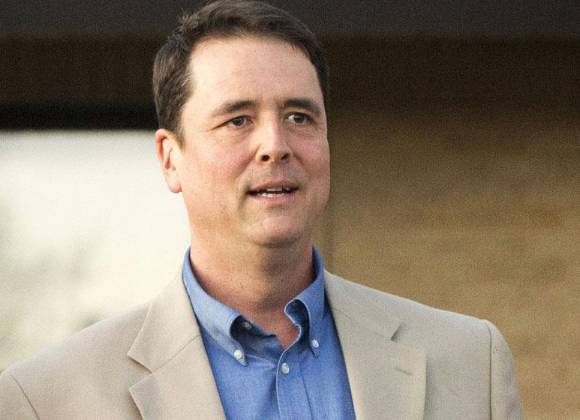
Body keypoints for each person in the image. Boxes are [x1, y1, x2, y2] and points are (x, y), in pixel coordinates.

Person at [0, 1, 523, 418]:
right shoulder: (48, 399)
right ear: (170, 158)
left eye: (299, 117)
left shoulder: (470, 363)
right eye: (238, 120)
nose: (275, 145)